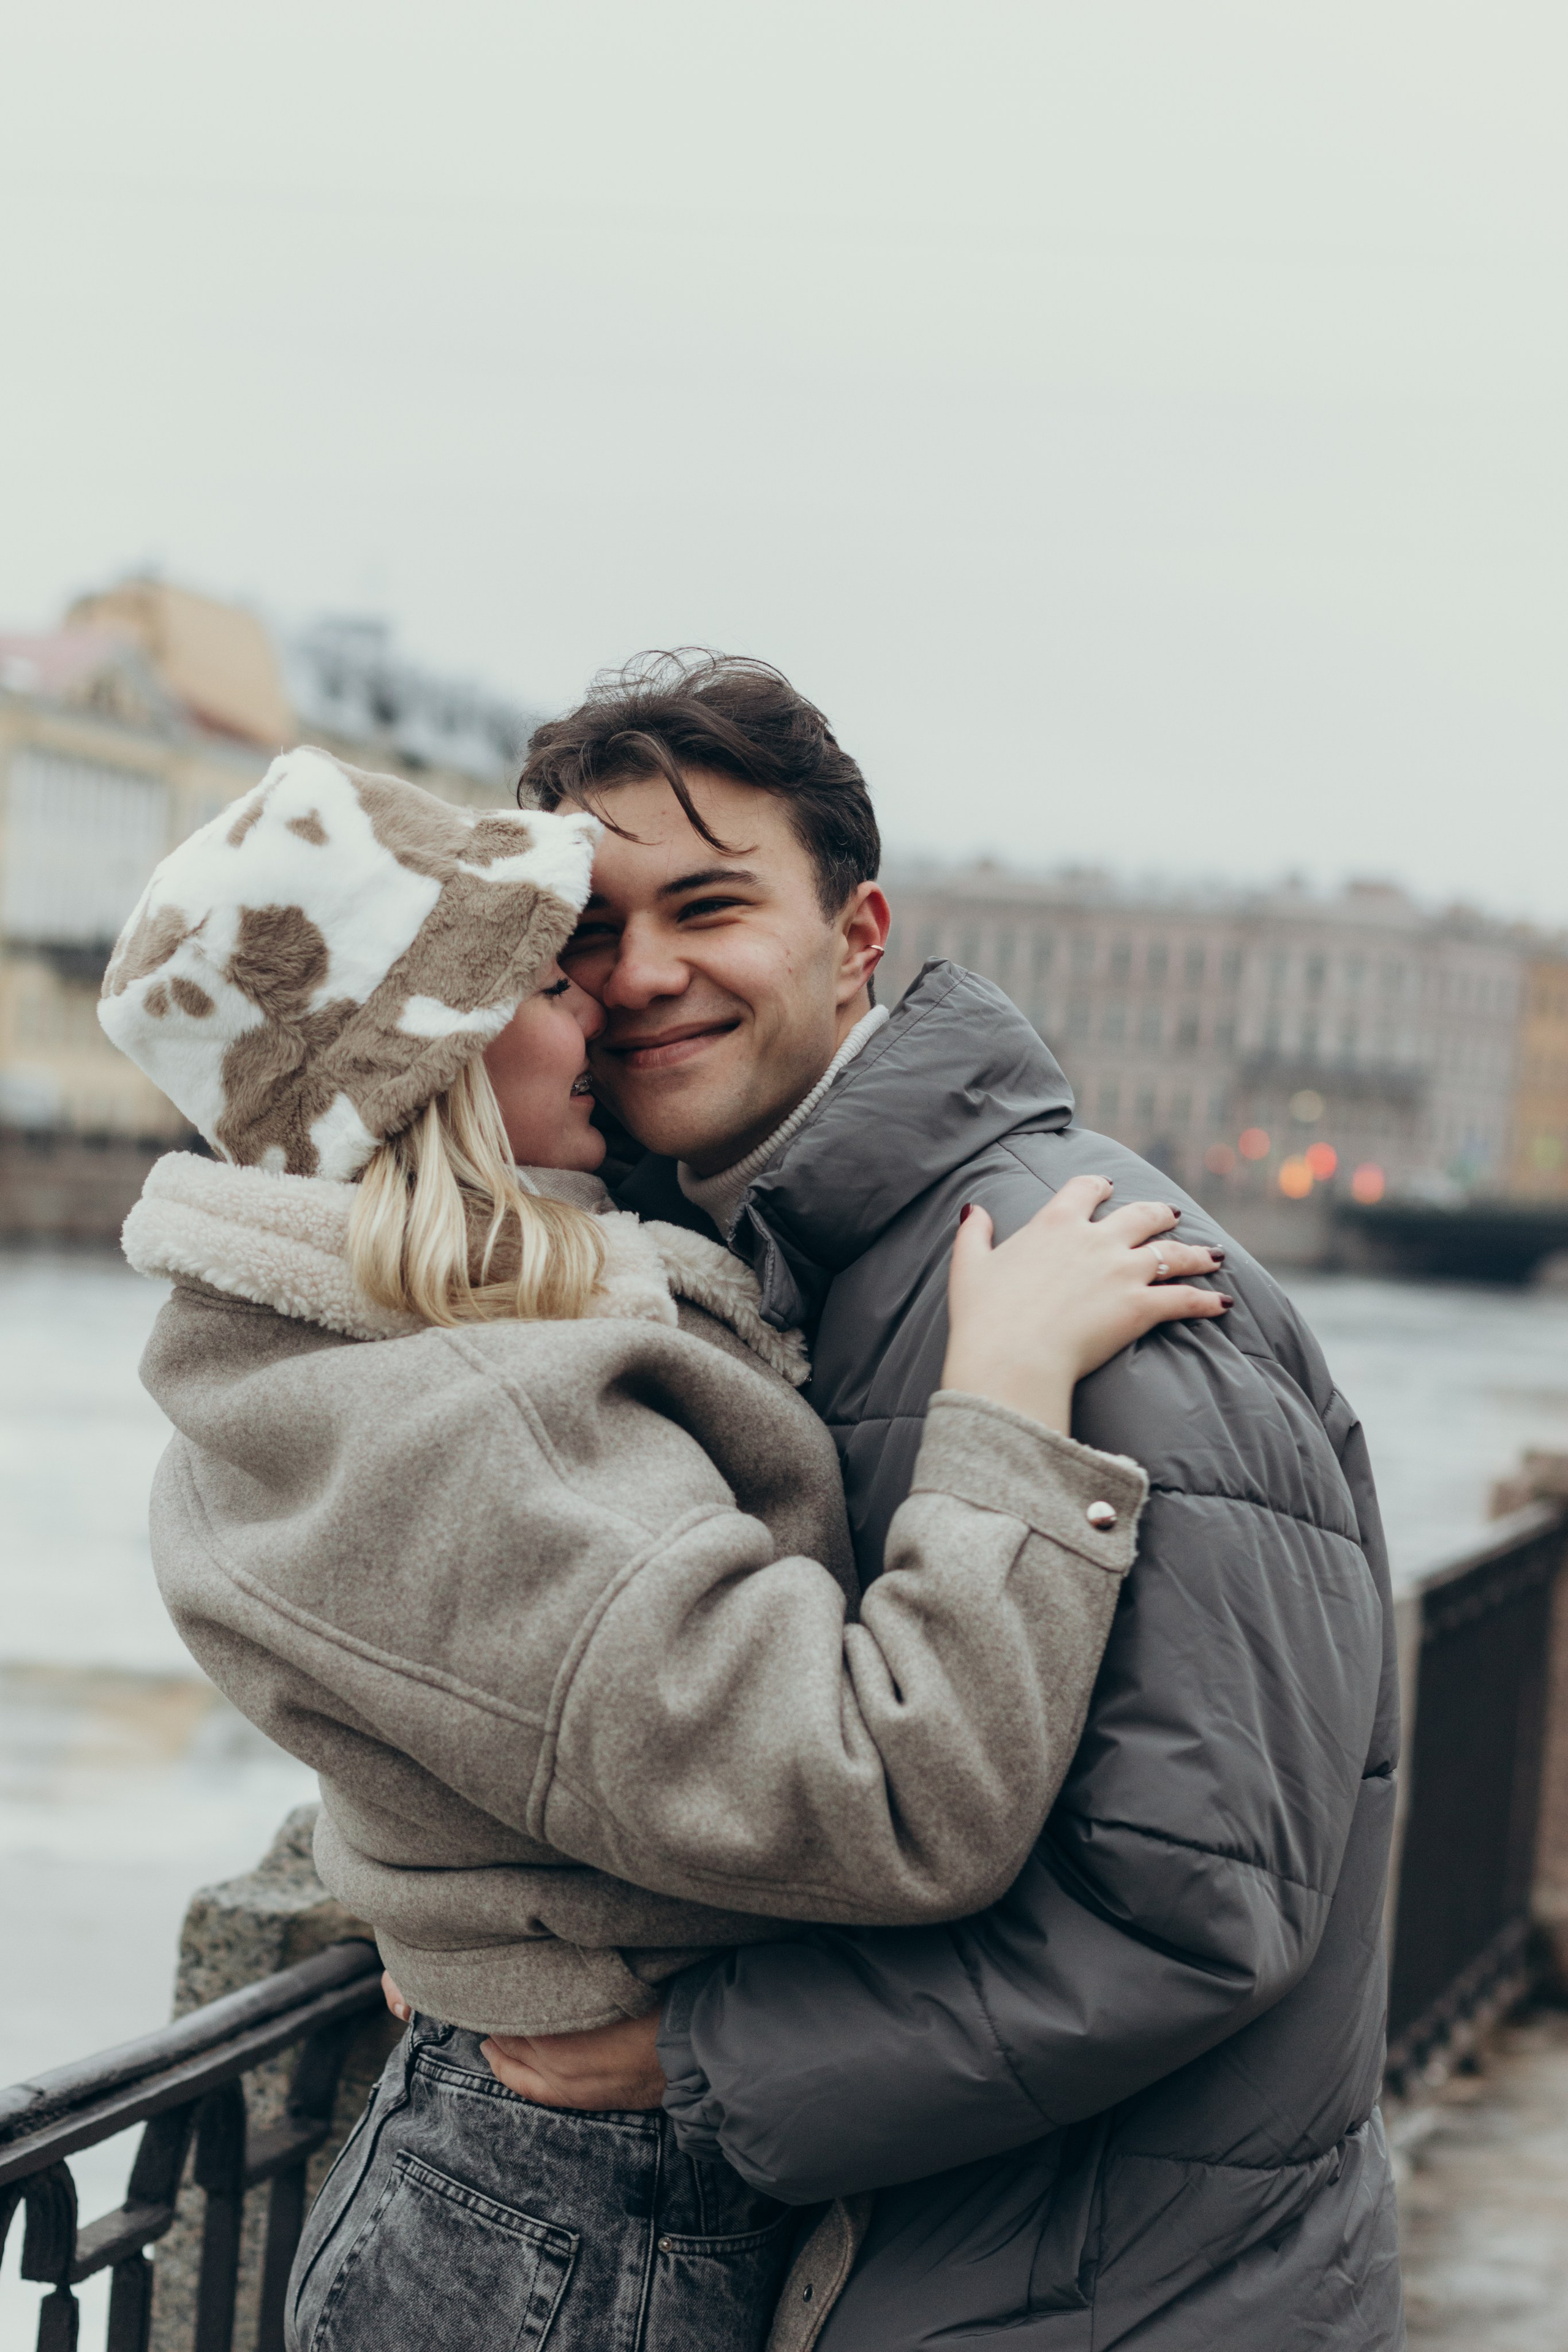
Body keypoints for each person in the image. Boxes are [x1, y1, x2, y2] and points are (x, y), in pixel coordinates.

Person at [97, 744, 1226, 2352]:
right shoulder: (487, 1414)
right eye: (544, 974)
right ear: (437, 1058)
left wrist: (477, 1910)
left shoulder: (362, 1360)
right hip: (577, 2237)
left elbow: (478, 1705)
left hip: (531, 2206)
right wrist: (1004, 1401)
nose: (601, 1002)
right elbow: (892, 1800)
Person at [489, 652, 1404, 2351]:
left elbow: (1199, 1909)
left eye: (709, 907)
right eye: (591, 935)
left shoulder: (1101, 1280)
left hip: (1112, 2304)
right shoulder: (745, 1274)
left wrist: (693, 2062)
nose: (645, 974)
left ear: (858, 935)